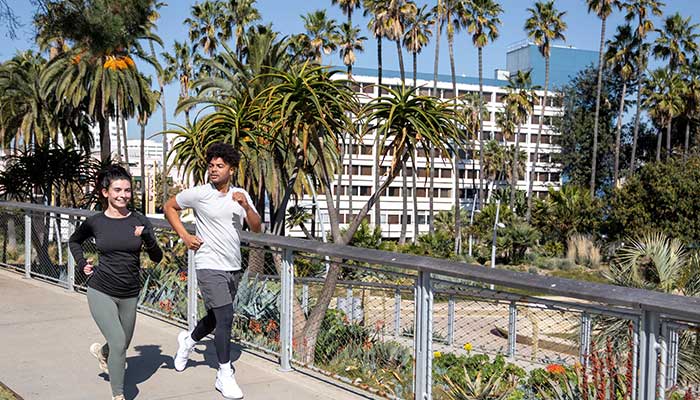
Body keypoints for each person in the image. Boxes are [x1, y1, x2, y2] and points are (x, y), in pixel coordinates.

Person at [165, 143, 261, 400]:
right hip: (208, 263)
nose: (214, 170)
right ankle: (224, 374)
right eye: (211, 166)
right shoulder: (199, 193)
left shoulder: (240, 194)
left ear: (231, 169)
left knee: (217, 317)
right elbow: (169, 206)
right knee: (226, 316)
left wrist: (246, 207)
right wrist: (185, 236)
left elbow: (256, 228)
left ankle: (188, 342)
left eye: (220, 166)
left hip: (233, 265)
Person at [69, 165, 163, 400]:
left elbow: (157, 257)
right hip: (100, 289)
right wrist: (82, 264)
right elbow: (74, 242)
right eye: (118, 190)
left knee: (119, 344)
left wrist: (147, 237)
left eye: (128, 190)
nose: (123, 195)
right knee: (120, 342)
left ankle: (102, 352)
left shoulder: (139, 221)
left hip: (130, 292)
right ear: (105, 193)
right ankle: (118, 395)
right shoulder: (96, 222)